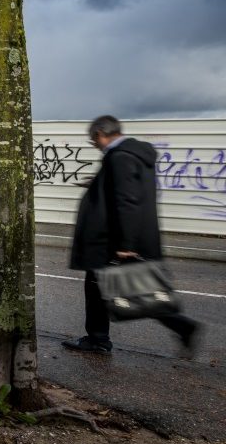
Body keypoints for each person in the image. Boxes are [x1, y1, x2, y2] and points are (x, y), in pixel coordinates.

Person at [64, 115, 200, 354]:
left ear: (100, 135)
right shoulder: (134, 154)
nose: (95, 146)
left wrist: (126, 244)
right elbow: (127, 190)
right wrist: (96, 184)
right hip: (123, 237)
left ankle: (99, 339)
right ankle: (99, 338)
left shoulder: (120, 157)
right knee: (113, 288)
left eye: (93, 141)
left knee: (125, 289)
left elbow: (127, 200)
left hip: (113, 240)